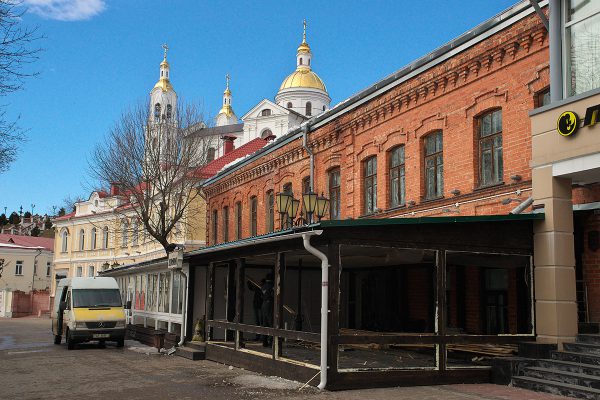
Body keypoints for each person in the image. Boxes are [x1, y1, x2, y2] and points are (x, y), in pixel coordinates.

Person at [260, 273, 274, 347]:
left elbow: (261, 296)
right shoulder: (272, 286)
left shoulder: (263, 286)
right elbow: (273, 295)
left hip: (263, 305)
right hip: (270, 304)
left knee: (264, 324)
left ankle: (264, 342)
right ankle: (271, 342)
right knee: (271, 323)